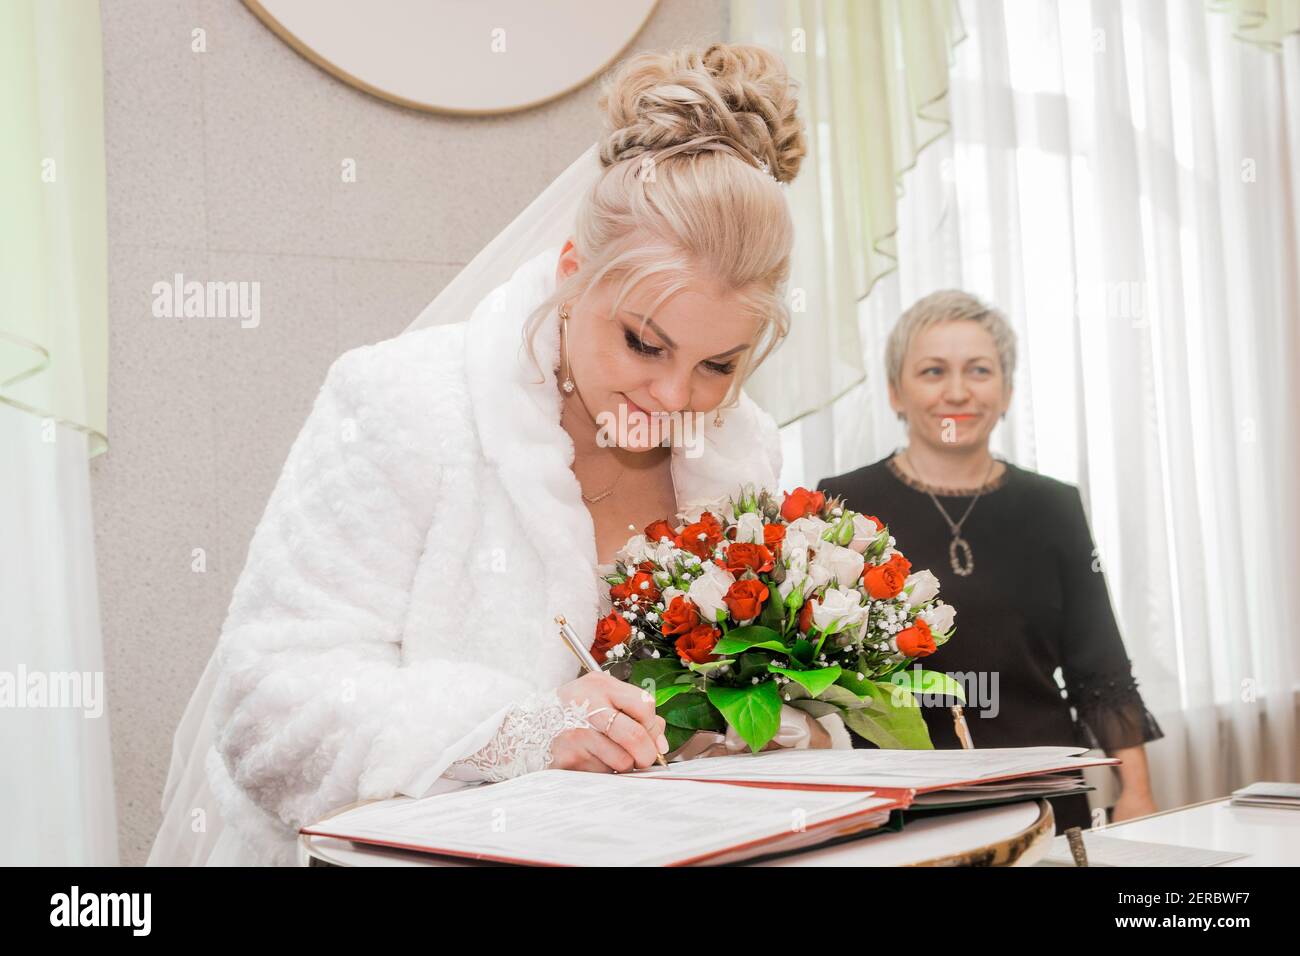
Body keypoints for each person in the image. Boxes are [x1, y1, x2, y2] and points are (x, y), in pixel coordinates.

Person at [148, 42, 828, 866]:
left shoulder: (741, 448)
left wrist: (771, 732)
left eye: (719, 364)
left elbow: (748, 696)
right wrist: (516, 733)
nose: (677, 399)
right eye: (644, 344)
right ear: (575, 276)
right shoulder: (402, 401)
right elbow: (268, 707)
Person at [818, 290, 1164, 834]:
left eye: (979, 370)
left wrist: (1138, 795)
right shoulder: (843, 504)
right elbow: (821, 678)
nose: (957, 391)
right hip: (898, 806)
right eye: (933, 371)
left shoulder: (1054, 505)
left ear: (1006, 392)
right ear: (895, 393)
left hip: (1046, 801)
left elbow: (1101, 668)